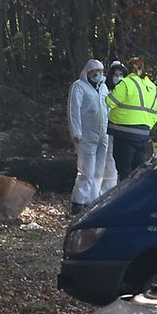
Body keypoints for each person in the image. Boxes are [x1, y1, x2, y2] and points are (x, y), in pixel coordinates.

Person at [67, 59, 112, 214]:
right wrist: (76, 132)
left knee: (99, 170)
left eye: (100, 72)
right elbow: (74, 110)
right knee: (86, 170)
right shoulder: (78, 87)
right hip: (86, 134)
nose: (97, 75)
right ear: (87, 73)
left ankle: (92, 201)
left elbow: (108, 109)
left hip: (102, 134)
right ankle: (79, 201)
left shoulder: (104, 88)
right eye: (94, 72)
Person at [106, 57, 157, 180]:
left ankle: (124, 198)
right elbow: (155, 114)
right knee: (138, 171)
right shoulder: (155, 89)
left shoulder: (126, 83)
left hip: (123, 134)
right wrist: (145, 125)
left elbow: (109, 101)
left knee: (124, 172)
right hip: (143, 135)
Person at [99, 62, 126, 194]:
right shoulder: (103, 89)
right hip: (103, 130)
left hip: (119, 130)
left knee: (113, 161)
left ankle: (110, 190)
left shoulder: (127, 91)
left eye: (121, 75)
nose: (118, 77)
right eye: (116, 75)